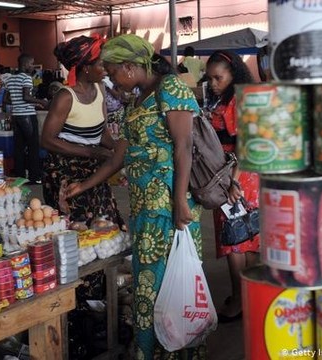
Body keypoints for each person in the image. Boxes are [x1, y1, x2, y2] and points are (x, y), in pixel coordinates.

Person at [66, 34, 206, 359]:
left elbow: (184, 146)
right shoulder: (136, 100)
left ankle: (178, 352)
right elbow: (117, 158)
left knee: (175, 287)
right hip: (144, 213)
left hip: (171, 210)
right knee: (148, 290)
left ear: (129, 67)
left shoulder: (171, 89)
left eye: (113, 72)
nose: (112, 80)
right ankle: (152, 352)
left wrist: (181, 200)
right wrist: (82, 186)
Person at [41, 34, 125, 228]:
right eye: (101, 65)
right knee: (77, 227)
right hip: (65, 171)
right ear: (86, 68)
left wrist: (117, 150)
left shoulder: (100, 89)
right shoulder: (65, 97)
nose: (106, 69)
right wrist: (91, 151)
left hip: (94, 168)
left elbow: (100, 131)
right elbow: (46, 140)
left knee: (105, 221)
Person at [204, 50, 260, 322]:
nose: (213, 83)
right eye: (210, 78)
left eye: (218, 78)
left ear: (233, 74)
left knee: (234, 241)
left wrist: (233, 181)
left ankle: (239, 301)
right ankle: (248, 296)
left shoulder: (236, 101)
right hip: (241, 176)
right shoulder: (230, 98)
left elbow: (244, 143)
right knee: (247, 240)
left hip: (234, 179)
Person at [3, 54, 48, 184]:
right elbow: (26, 97)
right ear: (26, 64)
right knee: (33, 146)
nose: (33, 66)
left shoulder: (10, 79)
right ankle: (34, 177)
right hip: (28, 116)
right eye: (32, 63)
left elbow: (6, 100)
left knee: (19, 147)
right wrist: (41, 102)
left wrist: (17, 102)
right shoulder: (26, 78)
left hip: (16, 116)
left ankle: (20, 176)